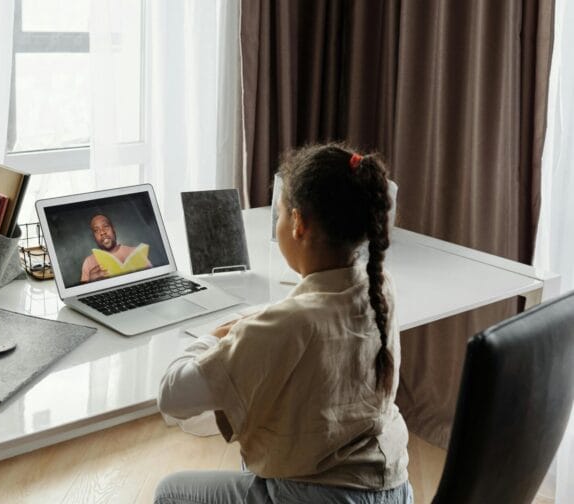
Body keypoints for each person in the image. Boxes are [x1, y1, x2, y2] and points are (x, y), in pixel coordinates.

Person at [154, 144, 413, 503]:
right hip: (393, 490)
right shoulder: (381, 288)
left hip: (321, 497)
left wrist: (212, 337)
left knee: (171, 492)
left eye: (278, 214)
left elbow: (172, 396)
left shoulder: (288, 324)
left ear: (298, 223)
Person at [80, 213, 152, 283]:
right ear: (94, 237)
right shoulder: (88, 262)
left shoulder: (136, 253)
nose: (102, 232)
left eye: (105, 226)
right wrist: (90, 282)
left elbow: (152, 280)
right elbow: (83, 292)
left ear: (113, 230)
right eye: (96, 230)